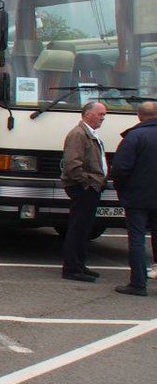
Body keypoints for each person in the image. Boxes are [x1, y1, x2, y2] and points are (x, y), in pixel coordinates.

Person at [108, 101, 157, 296]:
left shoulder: (134, 137)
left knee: (137, 239)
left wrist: (122, 188)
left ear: (139, 116)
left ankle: (138, 283)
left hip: (137, 197)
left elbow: (120, 169)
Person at [60, 100, 108, 282]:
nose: (103, 118)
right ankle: (72, 268)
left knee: (84, 228)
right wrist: (87, 183)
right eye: (100, 114)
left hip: (91, 187)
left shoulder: (90, 134)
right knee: (77, 228)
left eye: (104, 114)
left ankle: (80, 264)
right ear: (88, 114)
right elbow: (72, 164)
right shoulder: (78, 134)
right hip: (83, 188)